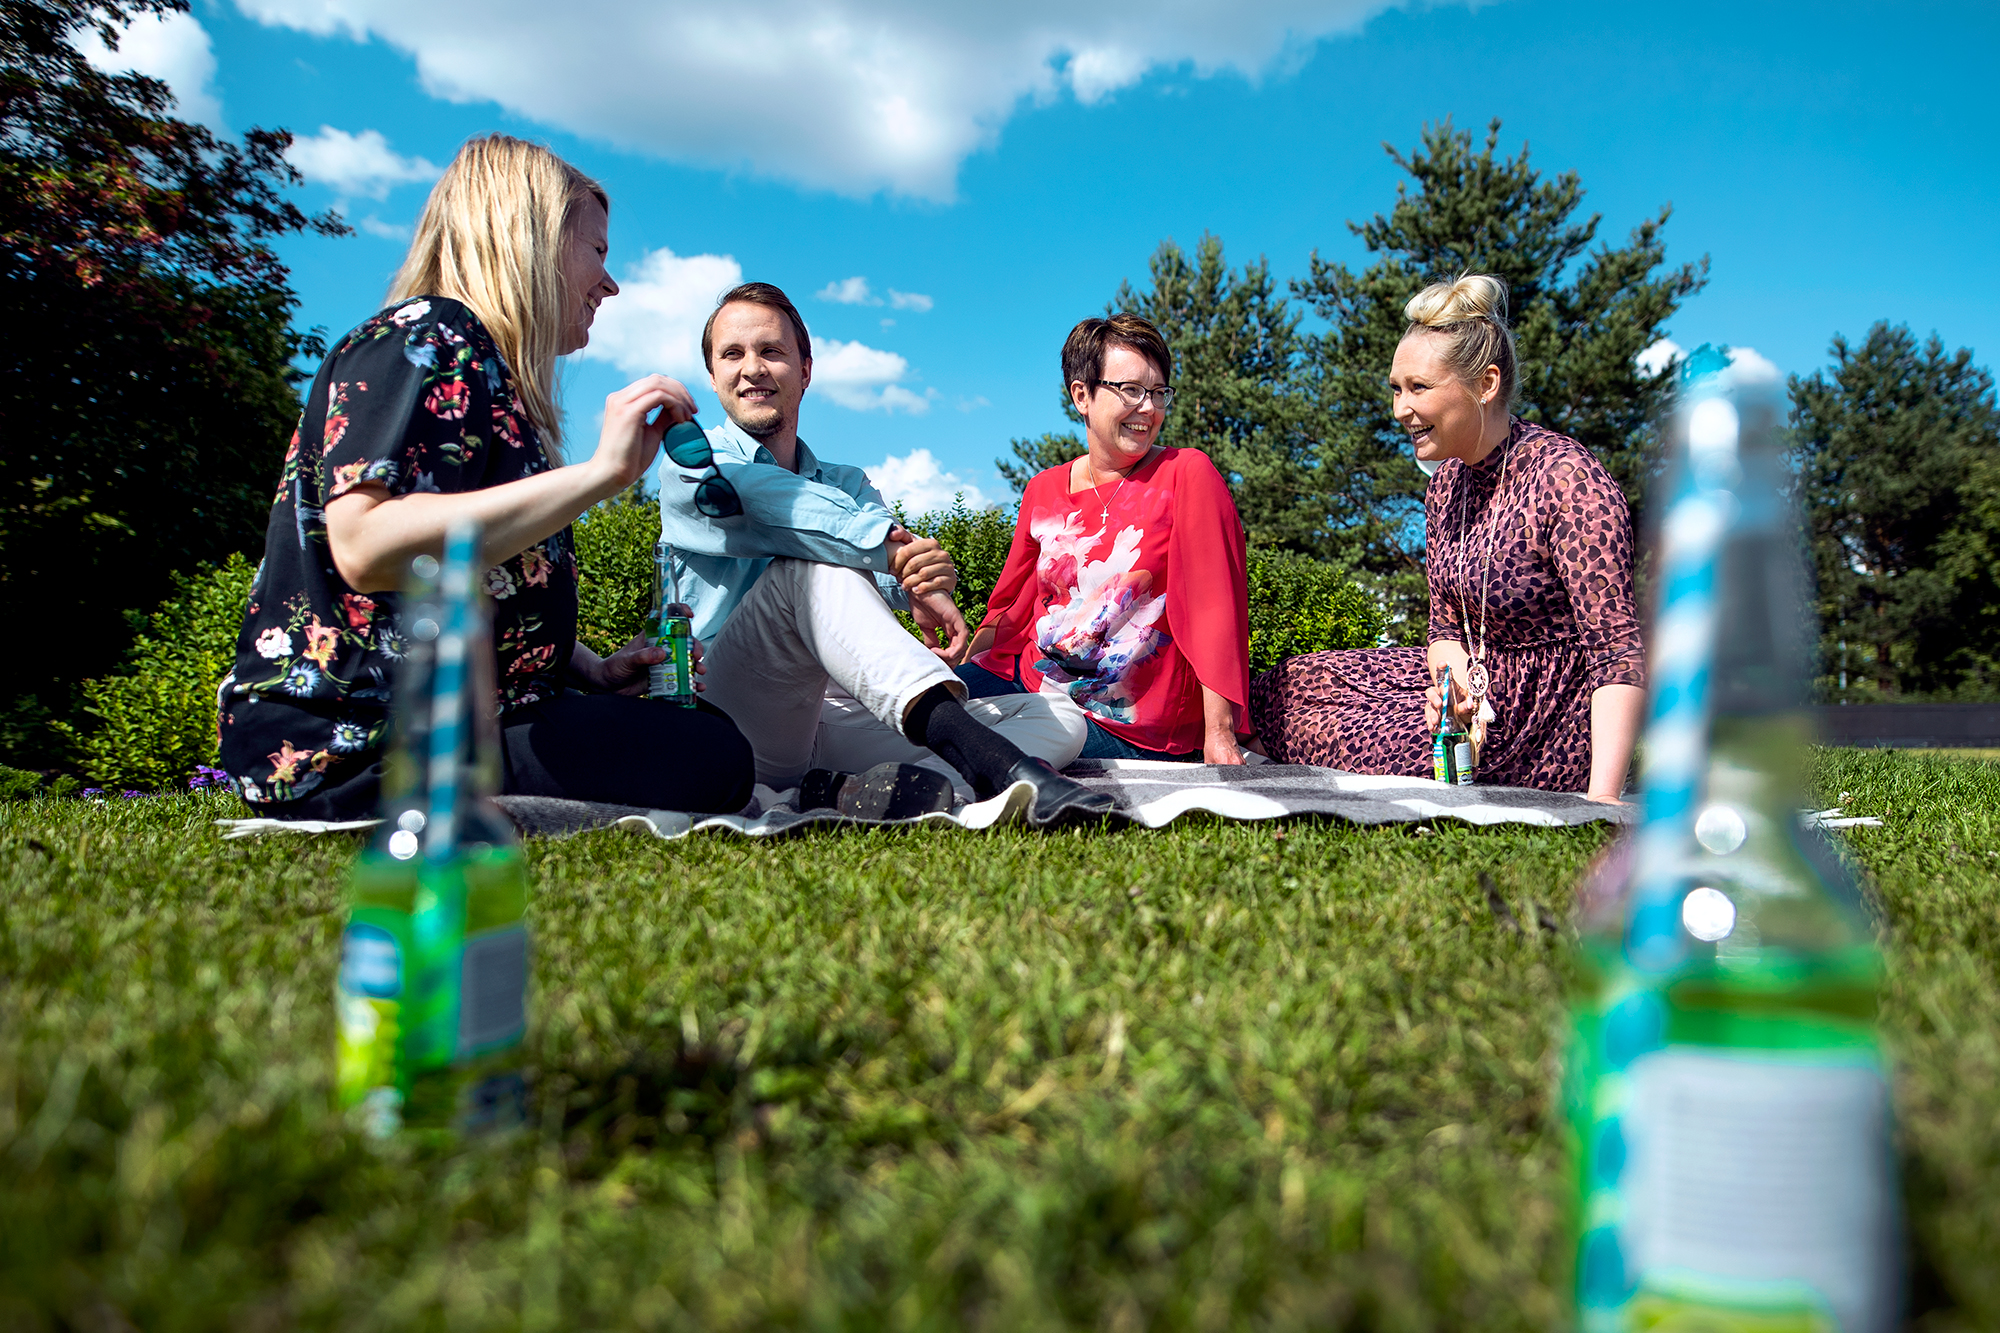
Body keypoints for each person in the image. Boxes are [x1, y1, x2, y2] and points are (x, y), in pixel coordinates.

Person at [219, 135, 755, 819]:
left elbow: (478, 580)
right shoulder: (424, 335)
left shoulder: (476, 368)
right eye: (597, 252)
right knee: (709, 756)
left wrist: (588, 669)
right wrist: (604, 473)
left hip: (426, 719)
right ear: (528, 240)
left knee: (703, 737)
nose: (610, 283)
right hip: (352, 741)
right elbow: (365, 545)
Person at [658, 282, 1110, 824]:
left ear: (805, 370)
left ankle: (835, 792)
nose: (751, 368)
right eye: (732, 354)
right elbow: (778, 507)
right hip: (734, 718)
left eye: (771, 351)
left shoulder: (847, 482)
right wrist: (893, 552)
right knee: (807, 568)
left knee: (1060, 716)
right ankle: (1004, 770)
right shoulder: (694, 469)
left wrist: (924, 580)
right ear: (713, 377)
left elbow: (891, 566)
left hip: (835, 714)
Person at [1248, 274, 1645, 799]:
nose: (1399, 410)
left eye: (1419, 388)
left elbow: (1619, 653)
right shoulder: (1446, 486)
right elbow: (1444, 629)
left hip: (1545, 719)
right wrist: (1449, 689)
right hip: (1472, 690)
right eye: (1396, 388)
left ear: (1485, 384)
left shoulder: (1567, 479)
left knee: (1342, 735)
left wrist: (1602, 800)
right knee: (1280, 687)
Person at [957, 314, 1253, 764]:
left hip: (1121, 723)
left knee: (979, 747)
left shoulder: (1186, 474)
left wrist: (1220, 734)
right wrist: (959, 671)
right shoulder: (1044, 488)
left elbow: (1217, 606)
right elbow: (1012, 602)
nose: (1149, 408)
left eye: (1158, 393)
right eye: (1131, 390)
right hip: (1030, 683)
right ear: (1082, 395)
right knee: (916, 710)